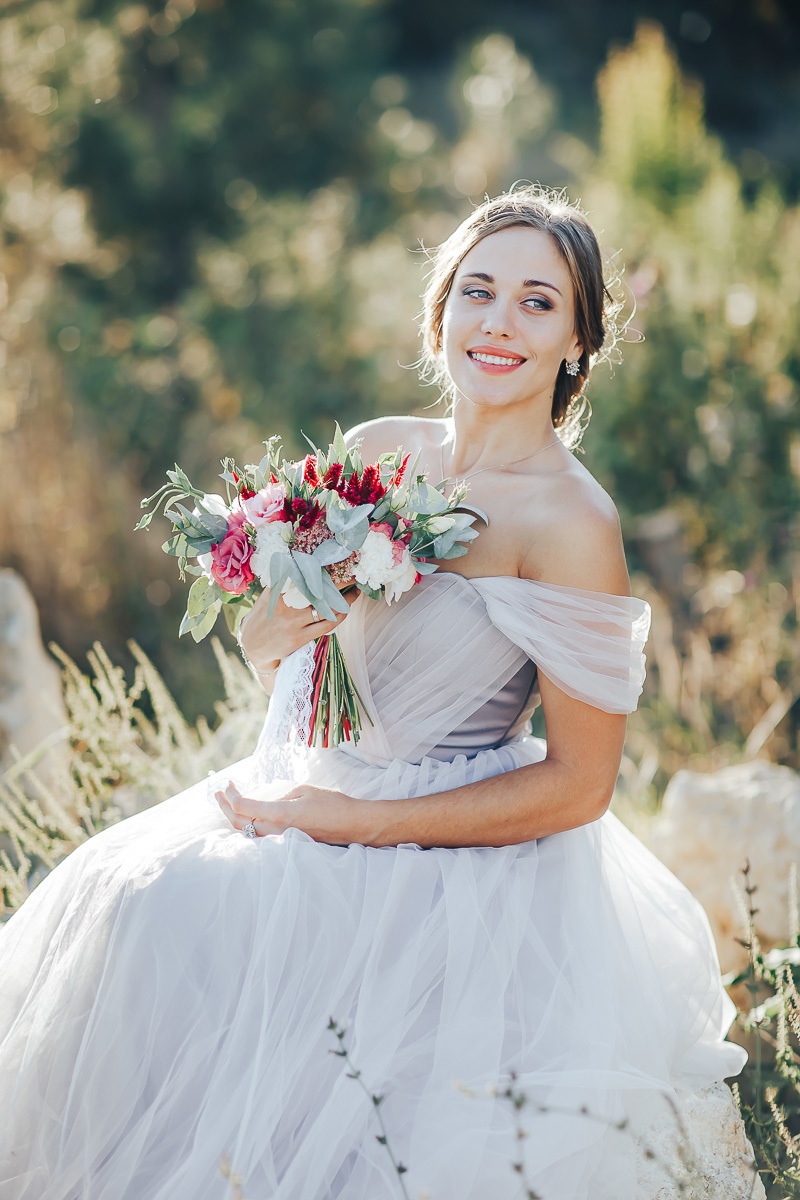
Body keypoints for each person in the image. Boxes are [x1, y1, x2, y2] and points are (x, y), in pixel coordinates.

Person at [0, 185, 747, 1200]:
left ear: (578, 340)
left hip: (444, 860)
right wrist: (272, 639)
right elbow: (317, 675)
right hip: (303, 792)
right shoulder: (376, 451)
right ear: (438, 310)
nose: (497, 321)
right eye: (476, 290)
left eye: (536, 301)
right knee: (131, 913)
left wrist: (350, 823)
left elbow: (578, 785)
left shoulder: (571, 522)